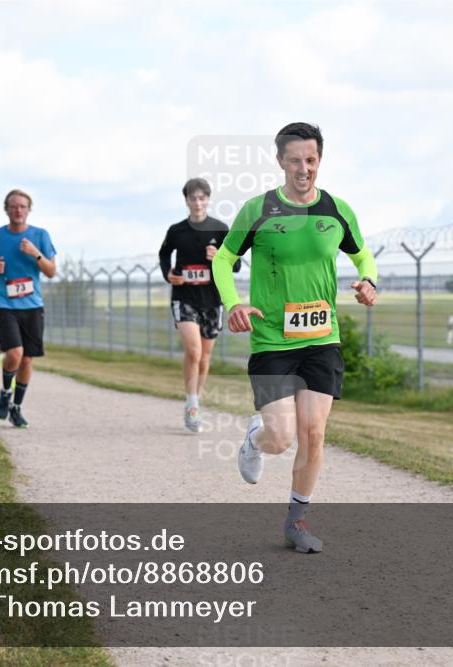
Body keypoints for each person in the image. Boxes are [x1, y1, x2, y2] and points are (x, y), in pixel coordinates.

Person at [212, 123, 378, 554]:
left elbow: (362, 253)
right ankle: (255, 439)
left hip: (322, 338)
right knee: (281, 436)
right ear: (280, 161)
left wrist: (368, 281)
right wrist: (233, 304)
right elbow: (225, 259)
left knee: (314, 433)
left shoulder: (336, 209)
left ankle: (296, 521)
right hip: (271, 341)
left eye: (311, 160)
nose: (304, 169)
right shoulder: (259, 210)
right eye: (295, 160)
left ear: (319, 160)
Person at [158, 177, 239, 432]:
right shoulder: (176, 230)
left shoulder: (219, 229)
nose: (197, 202)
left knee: (204, 357)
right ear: (186, 201)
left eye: (201, 197)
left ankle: (197, 399)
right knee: (193, 351)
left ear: (208, 199)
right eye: (192, 198)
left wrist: (220, 258)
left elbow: (235, 264)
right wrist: (168, 273)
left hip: (212, 300)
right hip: (184, 297)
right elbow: (164, 254)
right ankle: (191, 404)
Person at [0, 188, 57, 428]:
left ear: (29, 210)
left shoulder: (40, 235)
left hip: (32, 305)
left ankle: (16, 407)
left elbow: (51, 271)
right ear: (6, 209)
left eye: (23, 206)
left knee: (26, 361)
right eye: (13, 206)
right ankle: (5, 392)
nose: (18, 210)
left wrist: (36, 254)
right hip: (5, 303)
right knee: (14, 353)